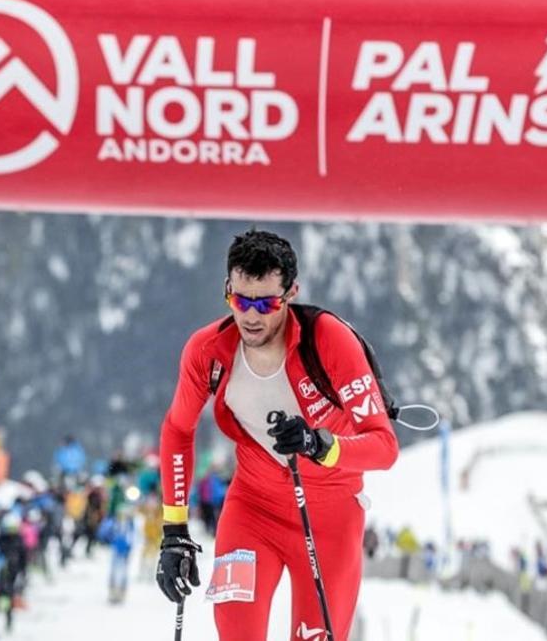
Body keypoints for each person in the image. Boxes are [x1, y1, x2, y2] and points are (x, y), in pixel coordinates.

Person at [155, 229, 399, 641]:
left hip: (330, 515)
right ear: (228, 290)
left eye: (266, 303)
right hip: (252, 509)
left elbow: (384, 447)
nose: (251, 316)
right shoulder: (208, 351)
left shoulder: (327, 340)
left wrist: (320, 445)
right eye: (240, 300)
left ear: (291, 293)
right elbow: (178, 429)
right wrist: (174, 532)